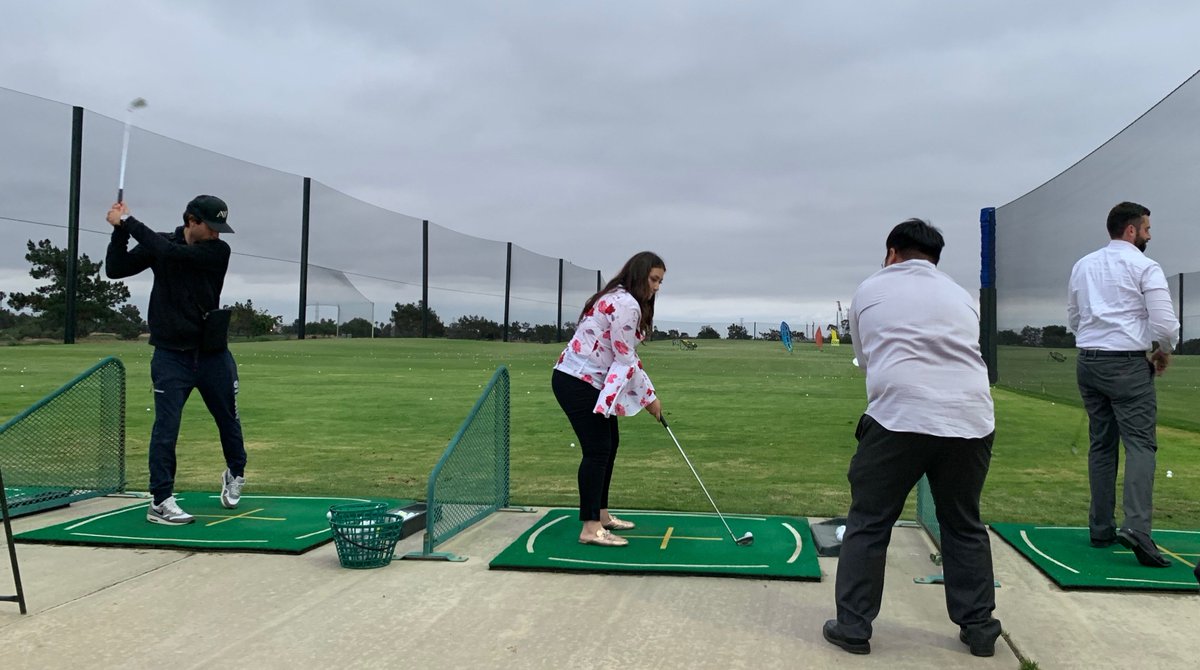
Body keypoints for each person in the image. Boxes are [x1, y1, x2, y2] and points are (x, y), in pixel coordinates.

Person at [823, 219, 1001, 657]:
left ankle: (854, 627)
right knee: (963, 523)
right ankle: (979, 628)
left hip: (898, 416)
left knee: (870, 521)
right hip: (971, 418)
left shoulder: (871, 287)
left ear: (891, 252)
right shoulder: (960, 294)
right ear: (935, 258)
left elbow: (866, 359)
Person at [105, 195, 247, 525]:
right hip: (171, 356)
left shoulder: (217, 251)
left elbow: (171, 254)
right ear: (191, 221)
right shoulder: (161, 243)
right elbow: (116, 269)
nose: (217, 233)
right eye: (211, 226)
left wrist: (128, 221)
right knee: (166, 429)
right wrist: (119, 232)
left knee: (228, 419)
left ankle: (236, 471)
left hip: (212, 355)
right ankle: (160, 501)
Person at [1067, 201, 1179, 567]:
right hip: (1127, 364)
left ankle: (1100, 528)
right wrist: (1163, 351)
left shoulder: (1083, 265)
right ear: (1131, 230)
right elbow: (1164, 325)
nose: (1149, 235)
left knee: (1102, 445)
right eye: (1146, 228)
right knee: (1141, 446)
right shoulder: (1146, 267)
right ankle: (1137, 529)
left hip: (1088, 362)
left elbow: (1074, 317)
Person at [552, 251, 665, 547]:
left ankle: (601, 515)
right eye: (653, 279)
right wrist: (649, 399)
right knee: (597, 450)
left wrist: (647, 395)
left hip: (586, 380)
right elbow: (625, 358)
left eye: (660, 282)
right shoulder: (626, 304)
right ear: (639, 275)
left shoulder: (618, 297)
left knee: (609, 444)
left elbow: (624, 356)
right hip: (578, 380)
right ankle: (590, 528)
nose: (656, 287)